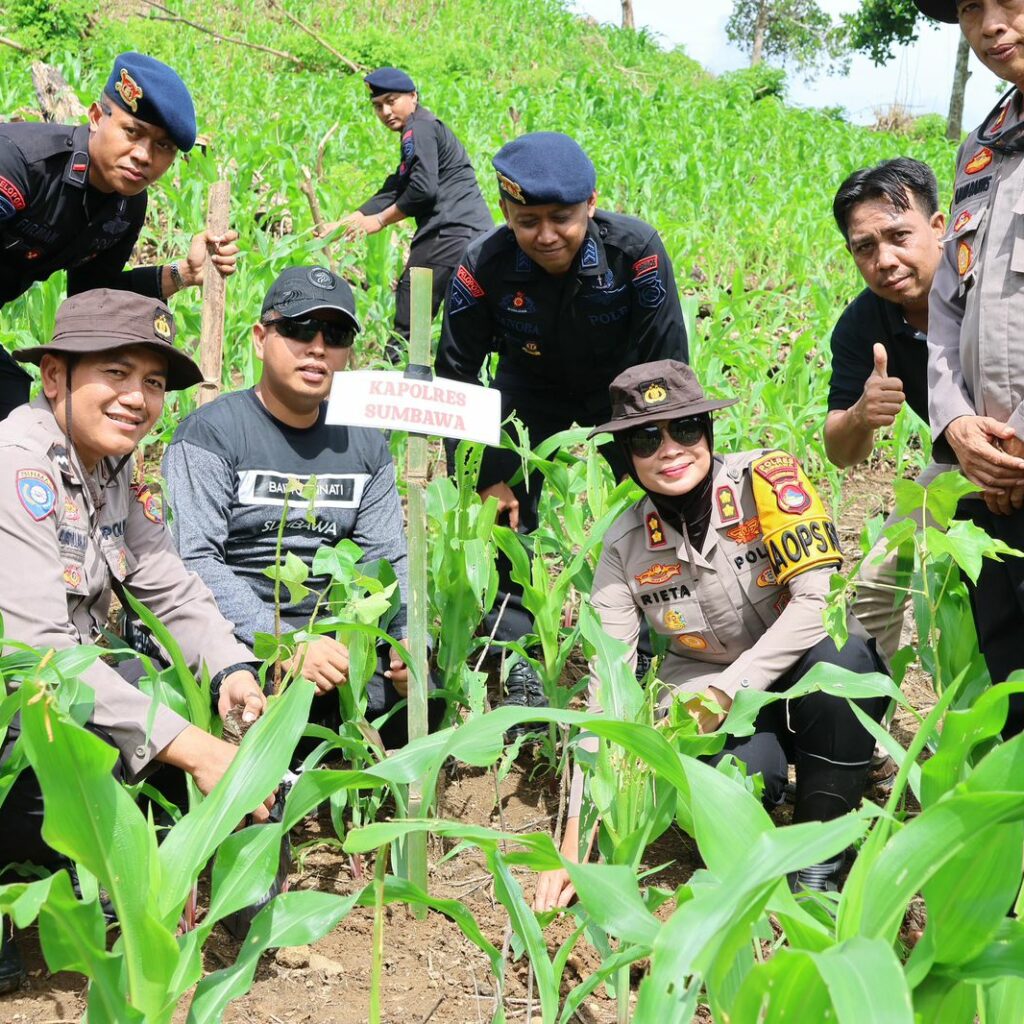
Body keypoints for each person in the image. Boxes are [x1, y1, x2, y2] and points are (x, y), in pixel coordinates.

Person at [533, 360, 888, 910]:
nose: (669, 450)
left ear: (708, 431)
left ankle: (819, 860)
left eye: (684, 429)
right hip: (702, 684)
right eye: (646, 439)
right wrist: (577, 840)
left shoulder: (767, 481)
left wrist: (729, 689)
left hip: (794, 662)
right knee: (741, 780)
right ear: (627, 456)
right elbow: (609, 689)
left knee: (844, 660)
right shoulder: (623, 547)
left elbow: (818, 601)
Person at [0, 290, 272, 991]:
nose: (137, 398)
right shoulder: (17, 467)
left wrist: (231, 669)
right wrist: (194, 747)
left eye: (152, 382)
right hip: (18, 698)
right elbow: (38, 655)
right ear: (53, 376)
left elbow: (168, 584)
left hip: (58, 694)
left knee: (147, 697)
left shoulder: (108, 467)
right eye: (115, 373)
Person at [434, 131, 689, 715]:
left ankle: (650, 644)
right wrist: (483, 475)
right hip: (528, 387)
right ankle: (518, 651)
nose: (546, 235)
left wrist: (665, 454)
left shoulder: (637, 253)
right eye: (527, 221)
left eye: (562, 218)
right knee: (503, 518)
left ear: (591, 204)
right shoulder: (482, 264)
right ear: (506, 212)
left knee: (657, 505)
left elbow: (669, 364)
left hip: (626, 389)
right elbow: (456, 376)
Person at [164, 266, 441, 750]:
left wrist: (406, 640)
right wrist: (284, 643)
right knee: (226, 708)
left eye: (335, 335)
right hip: (240, 637)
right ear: (260, 338)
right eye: (297, 329)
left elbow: (388, 556)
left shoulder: (364, 444)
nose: (317, 348)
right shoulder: (211, 434)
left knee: (420, 705)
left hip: (331, 646)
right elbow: (195, 561)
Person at [0, 51, 240, 419]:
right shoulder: (20, 163)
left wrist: (184, 274)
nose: (144, 155)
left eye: (163, 146)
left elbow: (94, 297)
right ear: (96, 117)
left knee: (13, 410)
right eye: (133, 132)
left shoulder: (126, 207)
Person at [913, 0, 1024, 737]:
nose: (990, 25)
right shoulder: (981, 150)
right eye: (968, 8)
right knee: (1013, 684)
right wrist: (956, 423)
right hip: (992, 483)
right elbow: (948, 307)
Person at [825, 157, 952, 660]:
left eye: (900, 236)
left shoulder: (989, 288)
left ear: (938, 226)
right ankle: (861, 700)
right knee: (876, 586)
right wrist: (861, 414)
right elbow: (840, 452)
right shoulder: (861, 325)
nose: (885, 260)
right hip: (958, 463)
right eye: (865, 247)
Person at [320, 66, 492, 364]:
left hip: (447, 234)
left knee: (411, 321)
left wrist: (379, 220)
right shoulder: (424, 127)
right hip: (473, 236)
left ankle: (394, 376)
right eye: (378, 106)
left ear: (413, 96)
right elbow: (398, 186)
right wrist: (350, 221)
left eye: (391, 101)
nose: (385, 112)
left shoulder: (418, 128)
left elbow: (423, 190)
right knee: (466, 325)